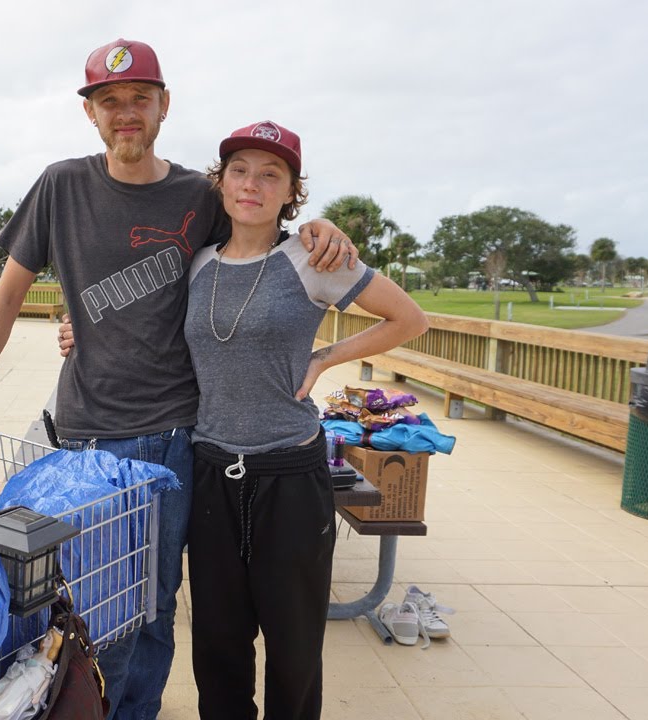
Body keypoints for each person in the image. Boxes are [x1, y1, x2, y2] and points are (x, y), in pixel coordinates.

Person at [0, 39, 356, 719]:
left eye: (139, 100)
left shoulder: (201, 193)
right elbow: (7, 295)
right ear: (92, 115)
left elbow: (264, 236)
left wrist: (320, 226)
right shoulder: (61, 186)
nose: (125, 113)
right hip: (80, 443)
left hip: (172, 441)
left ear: (164, 106)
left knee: (151, 610)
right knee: (72, 608)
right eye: (110, 102)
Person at [183, 121, 427, 718]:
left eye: (271, 174)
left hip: (290, 477)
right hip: (212, 471)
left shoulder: (312, 258)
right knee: (217, 645)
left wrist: (324, 357)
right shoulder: (198, 265)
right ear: (221, 182)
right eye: (239, 169)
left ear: (291, 191)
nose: (252, 184)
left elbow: (408, 317)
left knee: (293, 649)